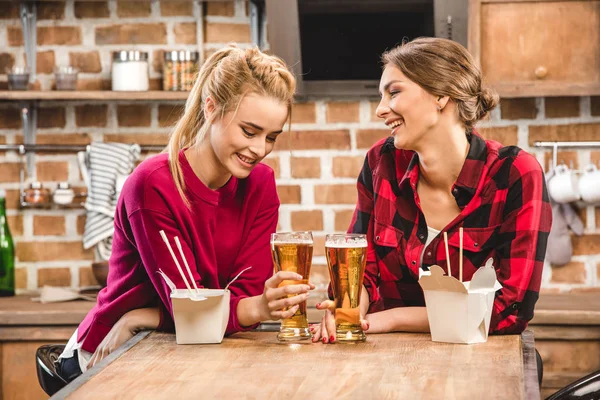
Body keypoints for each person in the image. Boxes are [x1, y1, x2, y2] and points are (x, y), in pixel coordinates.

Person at [57, 45, 312, 380]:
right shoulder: (153, 185)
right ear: (211, 108)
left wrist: (143, 315)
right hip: (112, 350)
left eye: (271, 137)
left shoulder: (260, 184)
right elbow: (194, 310)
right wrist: (254, 309)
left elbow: (242, 292)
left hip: (188, 341)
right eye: (249, 132)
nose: (259, 149)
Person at [312, 37, 552, 343]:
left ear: (441, 95)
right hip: (383, 352)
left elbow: (509, 310)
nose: (380, 110)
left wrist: (394, 318)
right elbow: (362, 268)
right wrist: (348, 310)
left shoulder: (515, 174)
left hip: (477, 357)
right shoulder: (381, 162)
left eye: (394, 92)